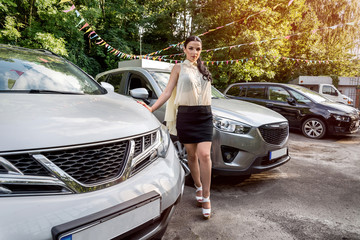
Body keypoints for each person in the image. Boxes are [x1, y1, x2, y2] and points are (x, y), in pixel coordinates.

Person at [138, 35, 213, 219]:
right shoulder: (178, 68)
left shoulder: (203, 69)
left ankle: (207, 196)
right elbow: (167, 91)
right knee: (192, 155)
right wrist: (152, 108)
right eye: (191, 48)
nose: (195, 52)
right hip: (186, 116)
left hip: (205, 115)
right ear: (184, 49)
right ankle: (198, 186)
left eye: (198, 49)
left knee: (204, 154)